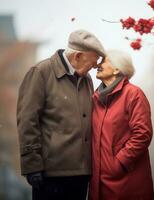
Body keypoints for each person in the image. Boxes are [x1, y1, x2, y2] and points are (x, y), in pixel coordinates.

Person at [16, 29, 105, 200]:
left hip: (82, 174)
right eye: (92, 63)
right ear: (78, 56)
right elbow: (27, 121)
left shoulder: (86, 79)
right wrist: (32, 165)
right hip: (50, 175)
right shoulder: (41, 72)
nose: (94, 68)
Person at [89, 50, 154, 200]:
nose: (98, 65)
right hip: (97, 183)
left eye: (104, 61)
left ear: (117, 69)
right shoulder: (95, 98)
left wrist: (118, 163)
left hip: (125, 182)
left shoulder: (133, 94)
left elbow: (143, 134)